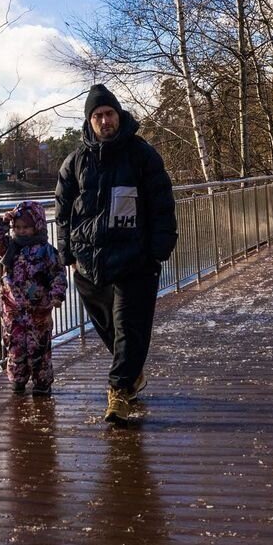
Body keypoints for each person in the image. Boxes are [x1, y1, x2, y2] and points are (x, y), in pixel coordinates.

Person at [55, 84, 178, 424]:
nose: (104, 120)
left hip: (135, 260)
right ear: (89, 121)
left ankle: (119, 392)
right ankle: (132, 373)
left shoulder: (142, 155)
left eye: (109, 113)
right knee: (109, 327)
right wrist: (67, 254)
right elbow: (62, 212)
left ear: (118, 115)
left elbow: (161, 205)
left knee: (128, 326)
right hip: (88, 263)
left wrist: (159, 250)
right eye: (97, 116)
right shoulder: (75, 162)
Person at [0, 201, 68, 396]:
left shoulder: (47, 251)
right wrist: (6, 220)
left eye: (26, 227)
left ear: (37, 226)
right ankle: (18, 380)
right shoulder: (10, 248)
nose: (21, 231)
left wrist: (56, 295)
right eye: (18, 228)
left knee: (39, 347)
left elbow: (58, 273)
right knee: (15, 346)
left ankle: (42, 383)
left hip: (38, 309)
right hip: (13, 309)